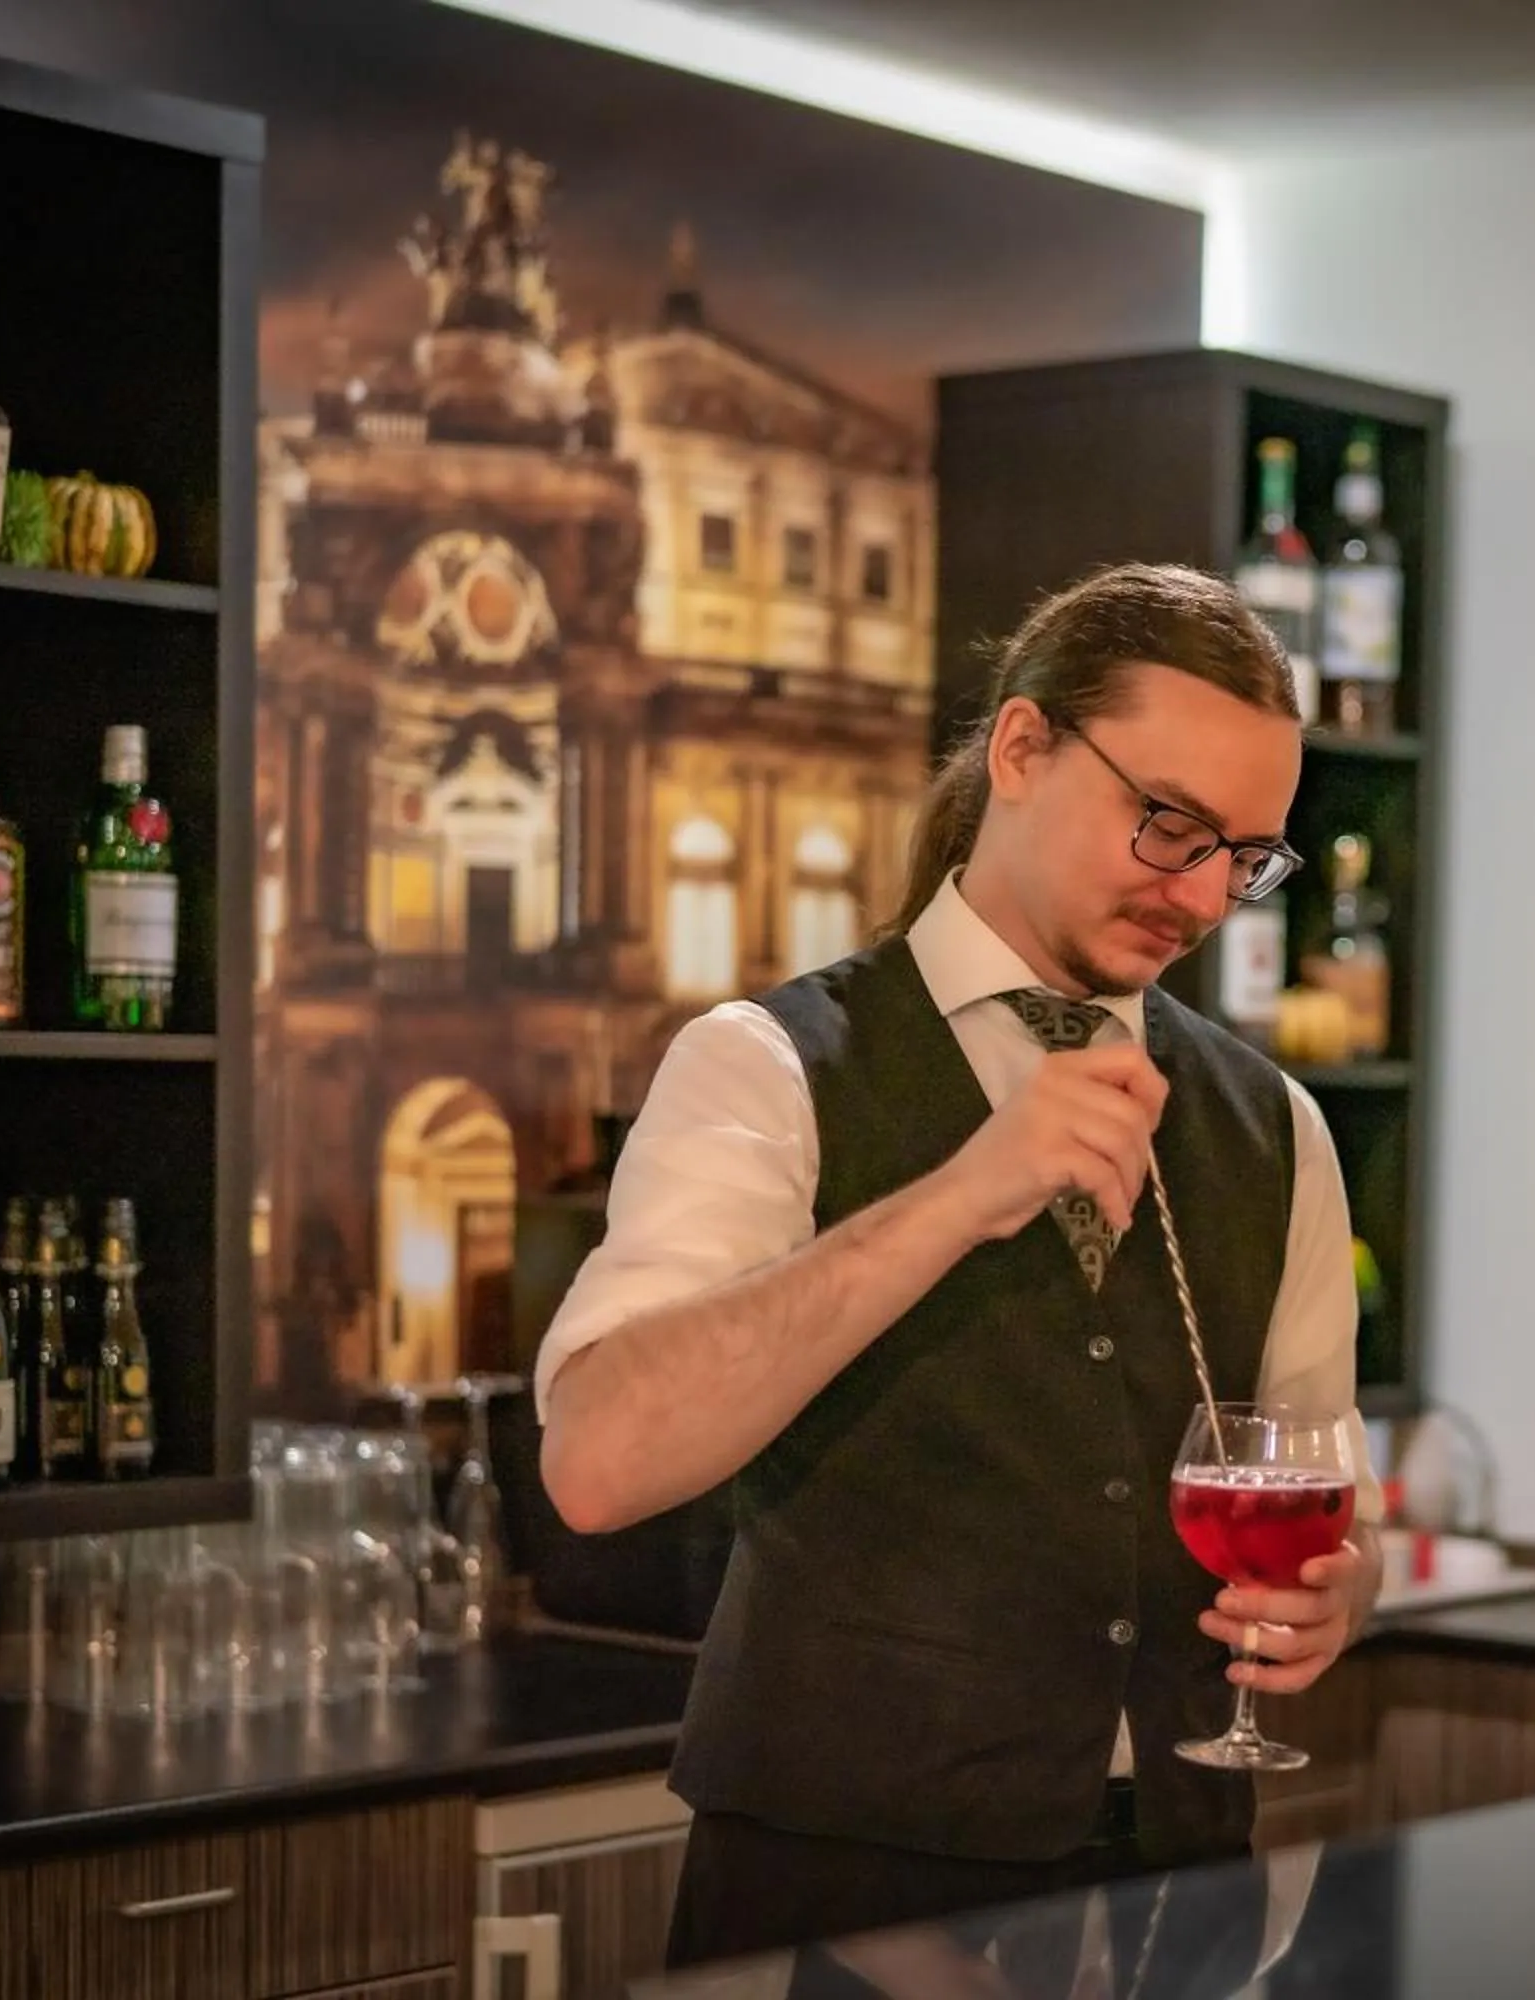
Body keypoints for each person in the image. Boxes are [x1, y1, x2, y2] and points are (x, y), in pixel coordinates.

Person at [533, 562, 1383, 1973]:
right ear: (1023, 747)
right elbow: (597, 1463)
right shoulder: (766, 1066)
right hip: (840, 1891)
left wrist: (1337, 1596)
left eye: (1244, 854)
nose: (1200, 893)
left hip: (1177, 1879)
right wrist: (964, 1192)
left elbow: (1322, 1481)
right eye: (1166, 821)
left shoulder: (1277, 1128)